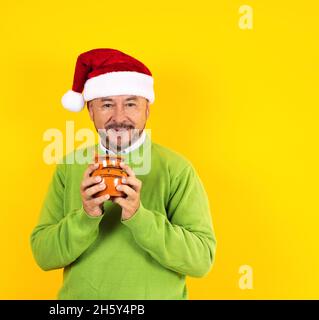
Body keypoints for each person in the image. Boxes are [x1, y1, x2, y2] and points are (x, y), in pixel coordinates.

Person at [30, 48, 216, 299]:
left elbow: (201, 260)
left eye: (130, 103)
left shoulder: (177, 169)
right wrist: (86, 215)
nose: (119, 117)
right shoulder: (70, 166)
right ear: (91, 111)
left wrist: (139, 216)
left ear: (147, 110)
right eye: (107, 104)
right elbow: (44, 255)